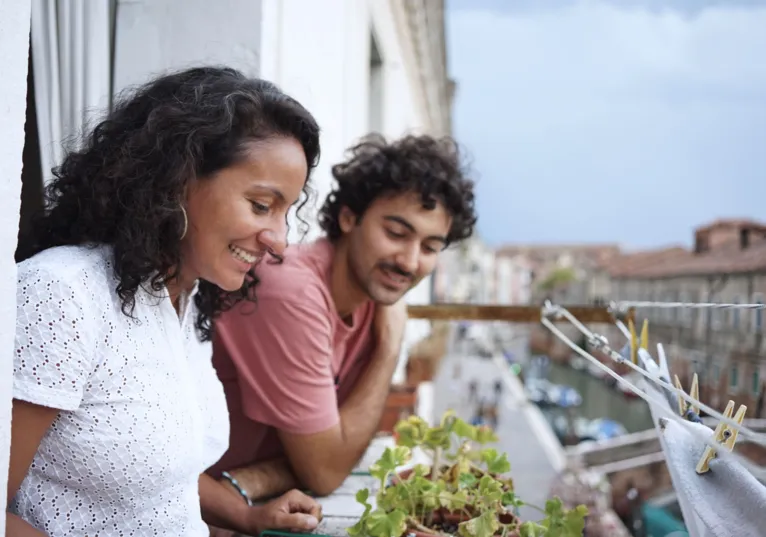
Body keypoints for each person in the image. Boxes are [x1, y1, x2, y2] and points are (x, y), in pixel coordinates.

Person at [8, 66, 323, 537]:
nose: (278, 240)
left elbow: (149, 473)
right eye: (261, 205)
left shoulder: (182, 298)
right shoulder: (62, 294)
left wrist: (245, 516)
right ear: (178, 180)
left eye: (285, 212)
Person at [208, 134, 477, 499]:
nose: (410, 262)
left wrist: (269, 475)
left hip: (256, 501)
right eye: (396, 233)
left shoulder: (369, 294)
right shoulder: (291, 292)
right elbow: (325, 472)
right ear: (350, 217)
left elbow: (333, 455)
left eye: (430, 247)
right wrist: (389, 350)